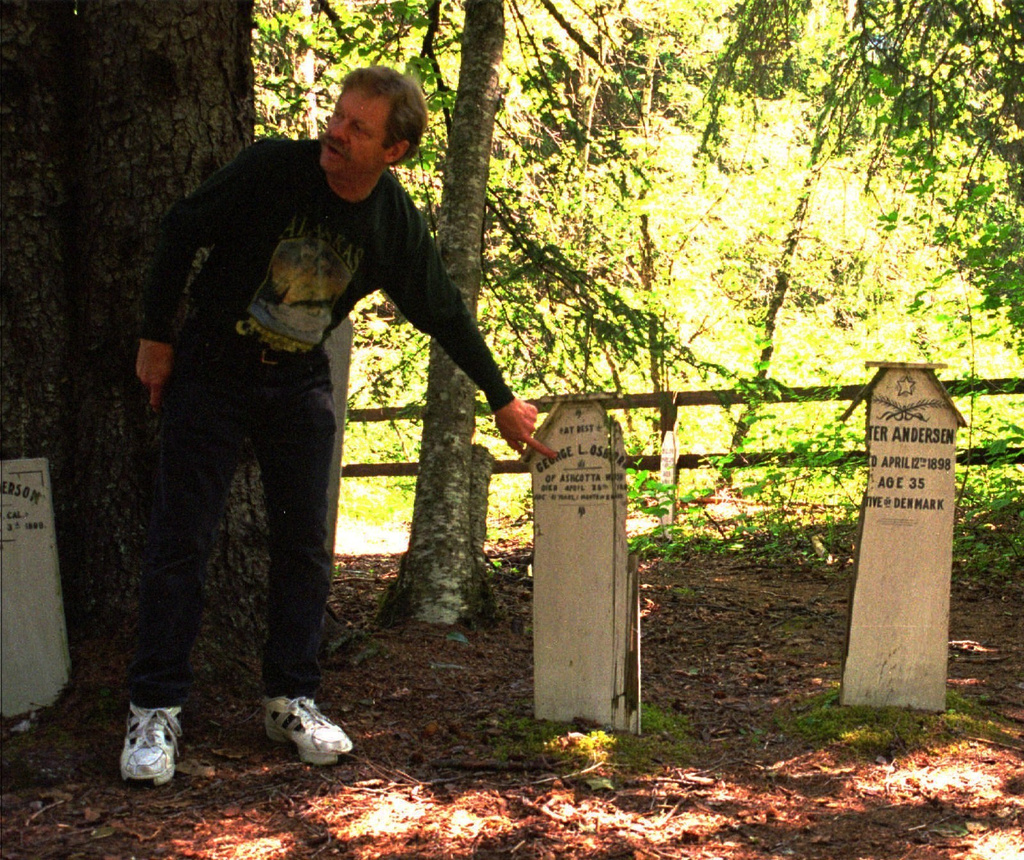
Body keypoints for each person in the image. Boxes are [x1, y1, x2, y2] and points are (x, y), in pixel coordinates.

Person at [122, 65, 557, 786]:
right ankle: (154, 708)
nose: (336, 131)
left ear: (394, 150)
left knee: (304, 549)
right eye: (338, 115)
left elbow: (443, 310)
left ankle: (290, 698)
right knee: (181, 541)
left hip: (295, 384)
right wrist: (154, 336)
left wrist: (501, 397)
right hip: (212, 369)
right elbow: (181, 229)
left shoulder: (391, 221)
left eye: (358, 127)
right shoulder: (272, 169)